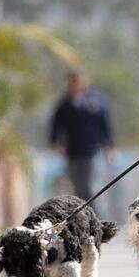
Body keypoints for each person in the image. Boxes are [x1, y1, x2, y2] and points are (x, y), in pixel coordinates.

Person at [49, 70, 115, 203]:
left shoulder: (95, 102)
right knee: (77, 188)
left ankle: (97, 219)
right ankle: (82, 217)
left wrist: (110, 146)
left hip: (92, 151)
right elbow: (56, 125)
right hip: (72, 152)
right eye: (72, 82)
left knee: (90, 187)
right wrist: (56, 142)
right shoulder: (64, 104)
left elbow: (105, 125)